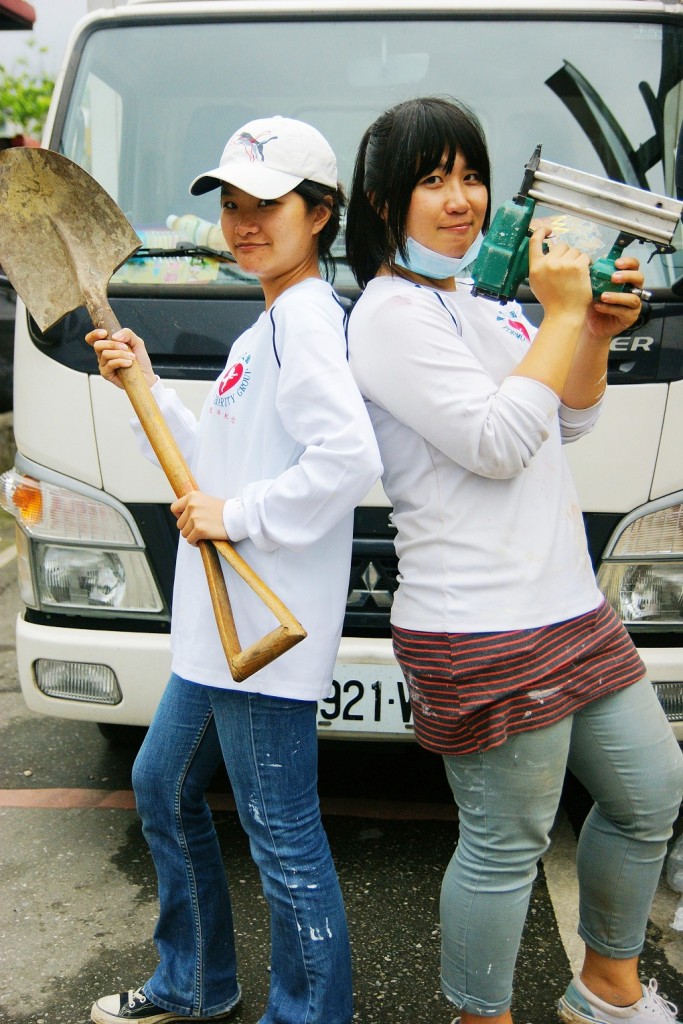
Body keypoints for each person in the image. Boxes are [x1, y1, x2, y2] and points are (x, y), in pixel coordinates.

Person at [345, 96, 683, 1024]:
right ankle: (478, 1017)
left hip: (567, 605)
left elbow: (564, 418)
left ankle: (606, 989)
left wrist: (590, 333)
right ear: (382, 204)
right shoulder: (387, 315)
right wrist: (561, 315)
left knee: (650, 791)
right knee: (505, 842)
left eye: (469, 175)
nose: (459, 199)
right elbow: (496, 442)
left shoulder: (480, 307)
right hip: (477, 619)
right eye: (430, 180)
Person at [86, 116, 381, 1024]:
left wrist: (239, 516)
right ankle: (196, 982)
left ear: (320, 213)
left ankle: (310, 1016)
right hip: (217, 638)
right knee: (160, 786)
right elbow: (215, 463)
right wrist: (144, 383)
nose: (245, 222)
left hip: (262, 635)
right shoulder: (267, 326)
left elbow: (348, 460)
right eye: (234, 205)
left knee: (282, 834)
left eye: (269, 205)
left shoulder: (303, 323)